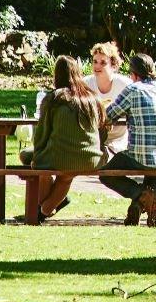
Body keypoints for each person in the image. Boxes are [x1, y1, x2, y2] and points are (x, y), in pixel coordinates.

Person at [23, 55, 107, 221]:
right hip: (92, 159)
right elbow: (102, 130)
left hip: (60, 157)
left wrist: (38, 156)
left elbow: (42, 135)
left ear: (57, 74)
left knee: (31, 159)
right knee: (66, 174)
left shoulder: (54, 98)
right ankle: (47, 209)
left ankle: (44, 209)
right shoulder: (92, 98)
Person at [101, 52, 156, 226]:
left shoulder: (133, 89)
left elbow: (107, 116)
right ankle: (143, 203)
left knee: (106, 173)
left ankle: (140, 196)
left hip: (141, 156)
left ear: (133, 74)